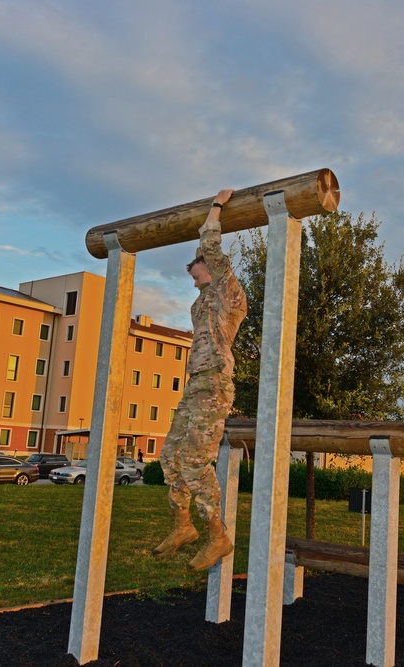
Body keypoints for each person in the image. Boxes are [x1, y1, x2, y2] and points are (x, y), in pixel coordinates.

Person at [152, 189, 248, 572]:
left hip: (214, 385)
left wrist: (216, 207)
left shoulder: (227, 291)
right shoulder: (206, 295)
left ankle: (217, 536)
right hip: (195, 385)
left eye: (196, 275)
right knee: (170, 458)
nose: (194, 283)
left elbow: (210, 244)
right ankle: (183, 526)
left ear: (211, 268)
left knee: (194, 463)